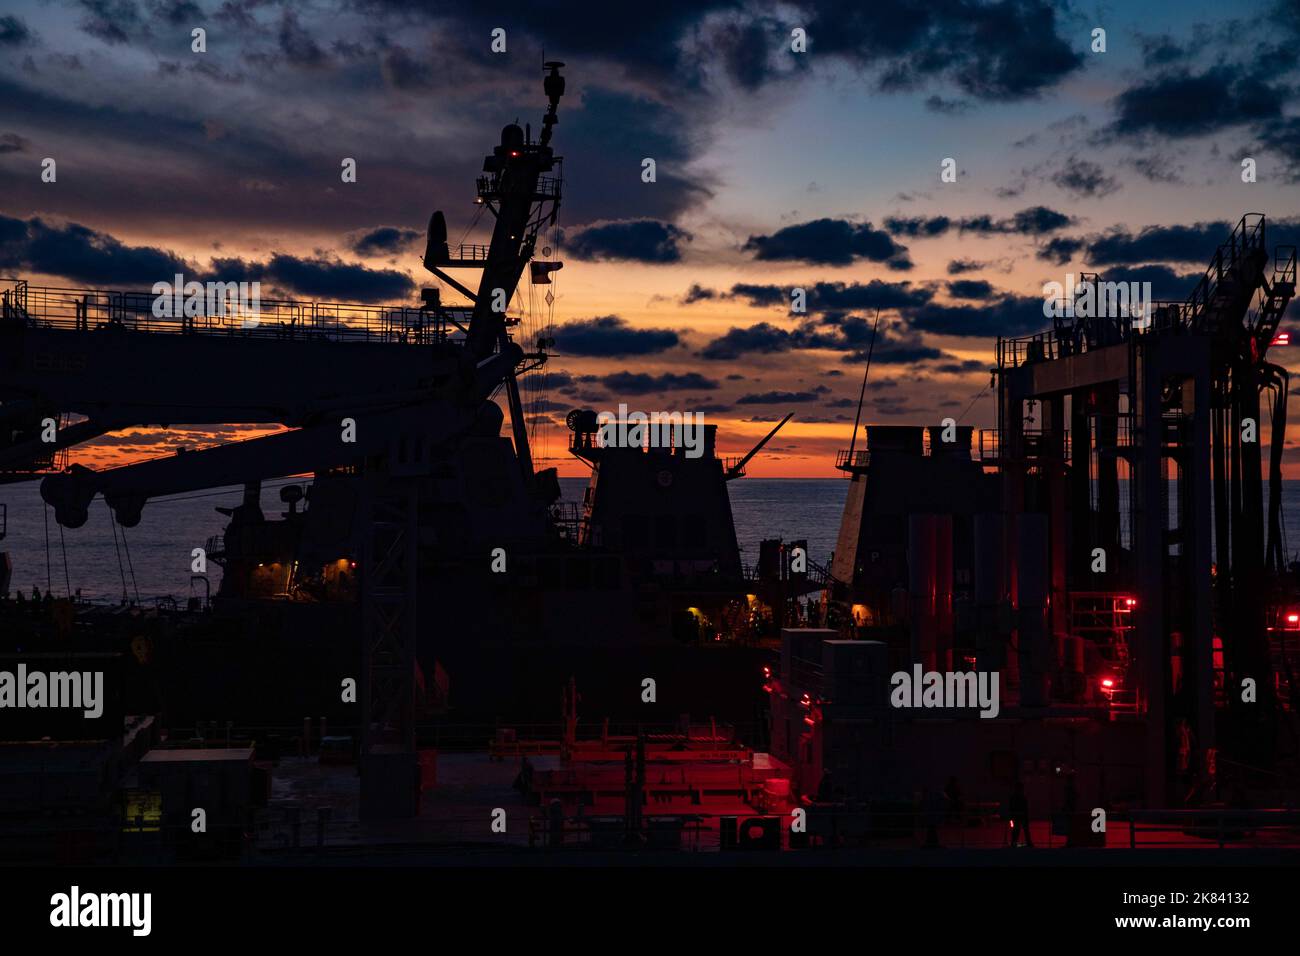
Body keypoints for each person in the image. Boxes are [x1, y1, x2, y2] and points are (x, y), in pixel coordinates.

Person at [1008, 780, 1032, 847]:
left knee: (1017, 830)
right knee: (1021, 830)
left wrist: (1011, 817)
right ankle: (1027, 843)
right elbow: (1025, 809)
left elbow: (1011, 808)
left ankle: (1014, 843)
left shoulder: (1015, 797)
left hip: (1017, 816)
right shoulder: (1022, 797)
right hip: (1020, 816)